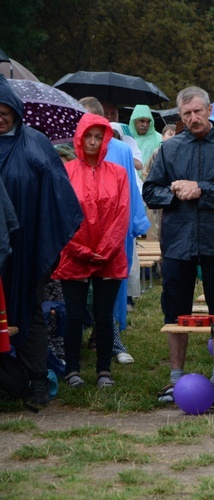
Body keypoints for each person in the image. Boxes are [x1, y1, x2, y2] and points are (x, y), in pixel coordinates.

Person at [142, 86, 214, 404]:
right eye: (186, 114)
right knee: (174, 309)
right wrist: (175, 192)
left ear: (210, 110)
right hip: (177, 241)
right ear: (180, 116)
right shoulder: (170, 150)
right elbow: (150, 190)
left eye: (198, 111)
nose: (193, 118)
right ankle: (175, 377)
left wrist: (201, 189)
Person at [0, 75, 83, 406]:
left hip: (27, 246)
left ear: (16, 110)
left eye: (3, 109)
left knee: (29, 312)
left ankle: (36, 380)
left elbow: (59, 196)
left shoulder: (35, 143)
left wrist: (46, 246)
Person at [52, 114, 130, 388]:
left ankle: (103, 370)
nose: (94, 142)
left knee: (104, 316)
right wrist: (80, 250)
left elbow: (122, 214)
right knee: (73, 315)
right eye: (89, 136)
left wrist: (105, 249)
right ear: (80, 138)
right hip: (75, 255)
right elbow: (61, 216)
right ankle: (72, 369)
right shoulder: (67, 172)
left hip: (109, 256)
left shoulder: (118, 174)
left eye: (99, 136)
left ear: (106, 139)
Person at [79, 97, 150, 365]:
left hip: (113, 228)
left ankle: (107, 336)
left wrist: (132, 225)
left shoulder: (119, 149)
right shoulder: (71, 150)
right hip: (81, 231)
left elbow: (129, 190)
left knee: (112, 284)